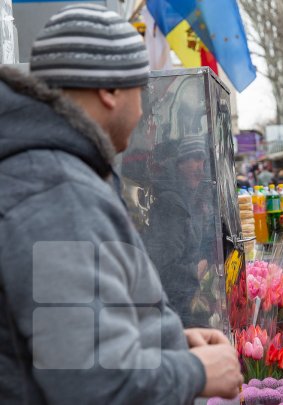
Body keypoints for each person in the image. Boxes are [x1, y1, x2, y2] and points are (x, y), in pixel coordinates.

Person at [0, 5, 241, 403]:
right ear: (109, 91)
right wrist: (195, 372)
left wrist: (164, 341)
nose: (144, 110)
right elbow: (91, 384)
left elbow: (69, 336)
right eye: (140, 91)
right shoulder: (55, 192)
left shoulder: (56, 174)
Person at [144, 136, 212, 327]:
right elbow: (164, 267)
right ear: (180, 163)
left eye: (203, 160)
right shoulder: (171, 204)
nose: (200, 167)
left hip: (182, 303)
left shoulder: (190, 200)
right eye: (195, 159)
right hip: (174, 309)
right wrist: (195, 271)